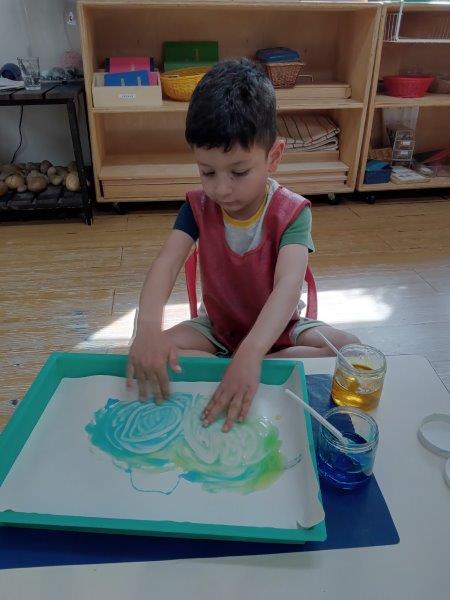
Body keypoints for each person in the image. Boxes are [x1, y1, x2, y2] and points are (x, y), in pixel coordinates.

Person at [128, 59, 359, 432]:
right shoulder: (197, 207)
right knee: (148, 351)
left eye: (238, 172)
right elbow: (166, 265)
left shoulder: (291, 212)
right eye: (207, 172)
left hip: (280, 333)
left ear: (273, 157)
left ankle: (244, 365)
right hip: (217, 329)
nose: (221, 189)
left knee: (350, 349)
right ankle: (241, 367)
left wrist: (251, 352)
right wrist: (147, 328)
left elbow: (288, 286)